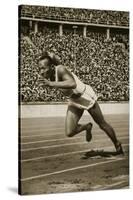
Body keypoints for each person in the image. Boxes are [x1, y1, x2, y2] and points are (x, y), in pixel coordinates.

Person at [38, 51, 123, 154]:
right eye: (39, 69)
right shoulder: (50, 75)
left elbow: (72, 83)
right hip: (74, 100)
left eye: (43, 68)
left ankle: (117, 144)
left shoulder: (60, 70)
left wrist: (51, 83)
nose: (41, 72)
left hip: (85, 96)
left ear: (51, 67)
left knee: (102, 124)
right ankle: (87, 127)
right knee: (69, 132)